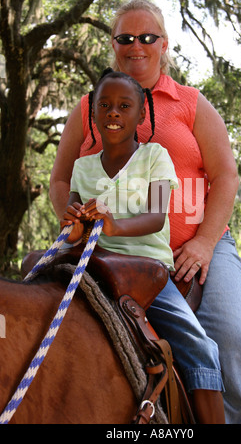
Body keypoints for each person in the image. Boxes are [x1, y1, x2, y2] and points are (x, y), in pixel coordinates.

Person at [50, 0, 241, 424]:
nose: (137, 45)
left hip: (196, 248)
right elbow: (61, 180)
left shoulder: (190, 102)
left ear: (164, 44)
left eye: (147, 37)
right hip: (108, 249)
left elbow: (226, 176)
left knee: (234, 339)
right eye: (126, 38)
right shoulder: (88, 106)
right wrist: (70, 215)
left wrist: (206, 242)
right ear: (113, 44)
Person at [61, 68, 225, 424]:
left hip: (145, 271)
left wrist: (114, 225)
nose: (113, 113)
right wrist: (74, 224)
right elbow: (73, 225)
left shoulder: (155, 157)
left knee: (200, 347)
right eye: (104, 105)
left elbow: (155, 217)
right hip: (93, 267)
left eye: (124, 105)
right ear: (93, 114)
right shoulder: (82, 166)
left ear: (141, 114)